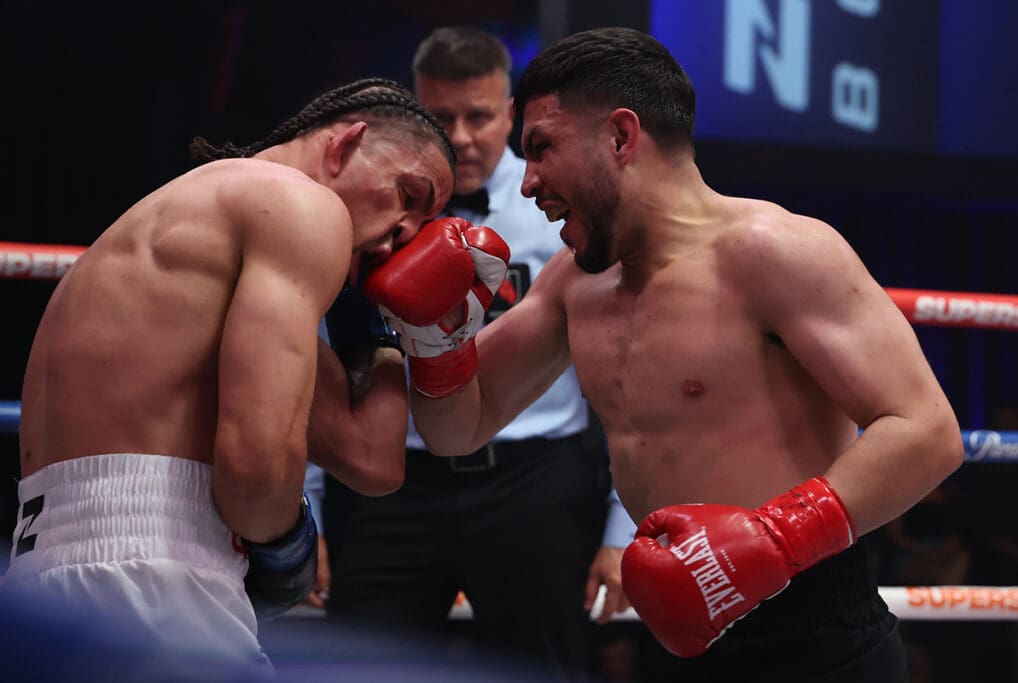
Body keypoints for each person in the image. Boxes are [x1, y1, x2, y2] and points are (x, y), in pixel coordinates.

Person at [365, 28, 965, 682]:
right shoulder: (574, 281)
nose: (529, 181)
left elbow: (927, 431)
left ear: (621, 136)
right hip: (673, 627)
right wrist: (437, 343)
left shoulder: (775, 252)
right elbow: (456, 429)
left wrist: (774, 541)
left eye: (542, 148)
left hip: (814, 630)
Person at [3, 77, 456, 675]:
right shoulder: (301, 205)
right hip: (156, 586)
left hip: (39, 585)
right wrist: (286, 543)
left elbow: (372, 460)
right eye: (408, 194)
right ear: (348, 142)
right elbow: (253, 475)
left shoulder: (186, 225)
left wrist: (376, 318)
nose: (406, 233)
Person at [321, 27, 635, 681]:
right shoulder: (375, 206)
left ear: (510, 113)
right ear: (414, 110)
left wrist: (621, 530)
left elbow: (624, 374)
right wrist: (307, 510)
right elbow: (320, 360)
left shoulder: (562, 205)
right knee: (353, 667)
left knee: (541, 671)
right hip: (397, 477)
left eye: (479, 116)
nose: (461, 137)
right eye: (442, 117)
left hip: (535, 480)